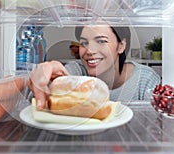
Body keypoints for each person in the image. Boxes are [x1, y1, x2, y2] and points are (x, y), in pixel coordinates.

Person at [27, 22, 160, 109]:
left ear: (121, 46)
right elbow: (55, 84)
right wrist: (47, 79)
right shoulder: (77, 71)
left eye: (101, 41)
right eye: (84, 43)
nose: (89, 50)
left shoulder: (145, 80)